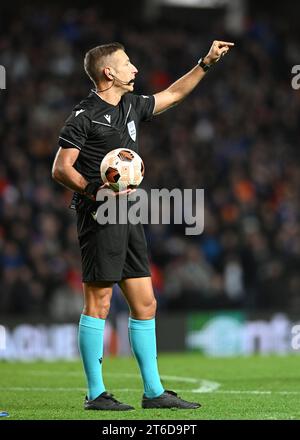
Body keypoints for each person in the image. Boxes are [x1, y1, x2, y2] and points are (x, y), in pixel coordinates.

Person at [52, 40, 234, 411]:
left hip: (130, 211)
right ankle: (95, 394)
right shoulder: (83, 115)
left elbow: (174, 93)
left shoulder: (132, 106)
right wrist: (91, 189)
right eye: (127, 63)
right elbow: (60, 168)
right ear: (109, 73)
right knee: (99, 302)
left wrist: (206, 63)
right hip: (99, 212)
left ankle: (153, 393)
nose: (134, 69)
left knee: (146, 303)